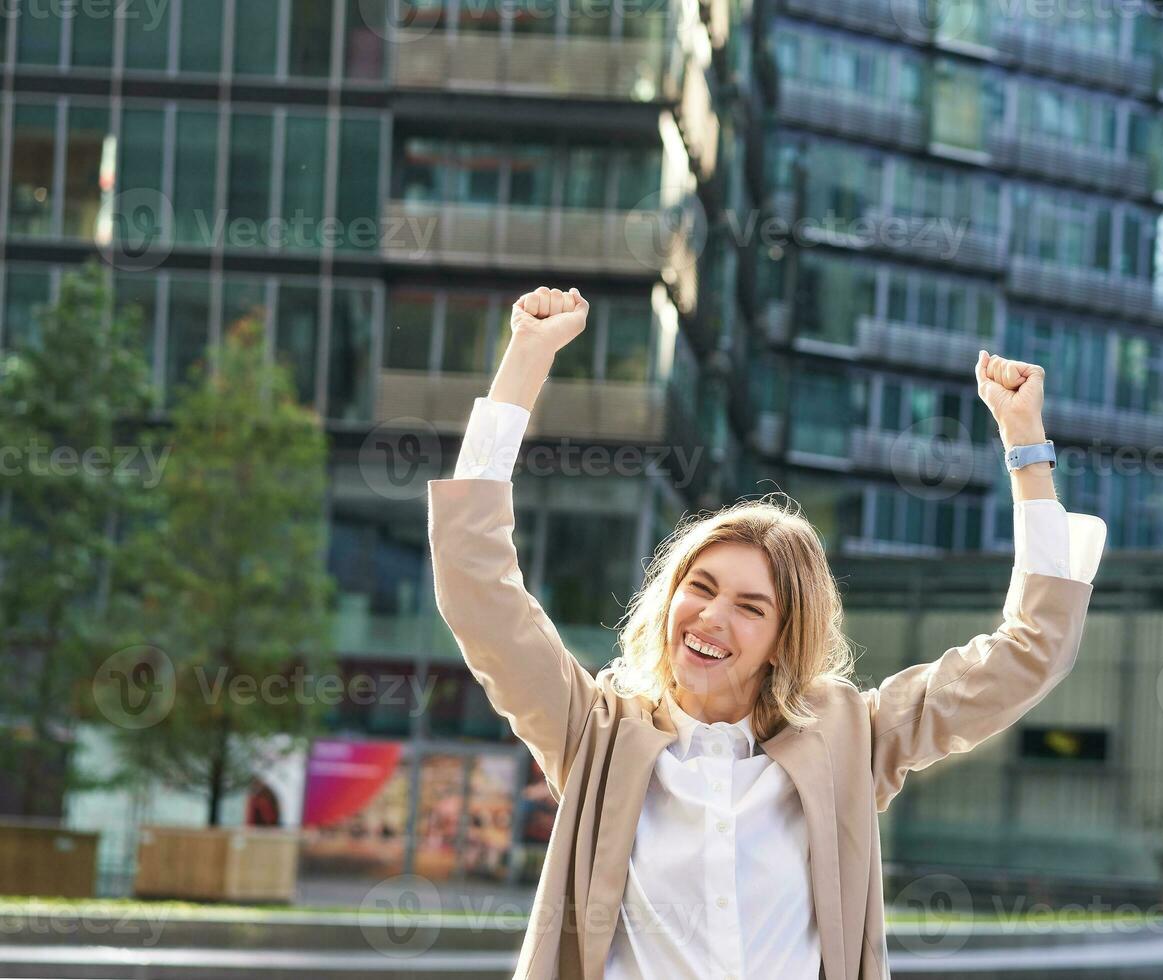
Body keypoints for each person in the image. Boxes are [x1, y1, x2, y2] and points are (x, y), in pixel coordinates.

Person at [427, 286, 1106, 979]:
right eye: (701, 587)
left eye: (752, 607)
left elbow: (1032, 651)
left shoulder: (853, 738)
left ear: (786, 637)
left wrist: (1027, 446)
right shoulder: (594, 731)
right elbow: (478, 590)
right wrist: (527, 358)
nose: (713, 617)